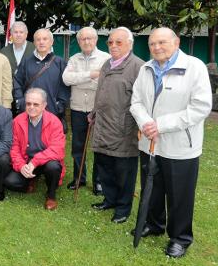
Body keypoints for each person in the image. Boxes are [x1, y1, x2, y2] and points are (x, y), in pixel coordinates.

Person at [130, 27, 212, 258]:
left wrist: (161, 125)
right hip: (150, 142)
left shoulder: (194, 68)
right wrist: (146, 122)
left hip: (180, 147)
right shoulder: (146, 69)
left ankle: (180, 238)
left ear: (176, 43)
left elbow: (200, 107)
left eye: (162, 42)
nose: (156, 47)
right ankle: (154, 224)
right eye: (153, 44)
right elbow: (136, 102)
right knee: (152, 188)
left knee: (179, 195)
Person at [90, 27, 144, 223]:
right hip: (102, 125)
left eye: (118, 42)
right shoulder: (107, 65)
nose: (113, 46)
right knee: (105, 167)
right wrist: (94, 112)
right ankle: (110, 199)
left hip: (124, 129)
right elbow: (102, 93)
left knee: (124, 172)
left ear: (130, 44)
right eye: (110, 42)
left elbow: (142, 101)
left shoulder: (139, 67)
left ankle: (123, 208)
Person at [62, 26, 110, 194]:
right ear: (79, 41)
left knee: (98, 147)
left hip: (98, 109)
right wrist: (91, 75)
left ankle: (99, 181)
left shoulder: (106, 59)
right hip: (77, 109)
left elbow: (105, 83)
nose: (87, 41)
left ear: (96, 40)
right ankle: (79, 178)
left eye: (90, 38)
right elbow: (67, 79)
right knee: (77, 146)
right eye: (83, 39)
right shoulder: (74, 59)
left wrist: (80, 78)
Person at [7, 88, 66, 210]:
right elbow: (14, 147)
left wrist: (35, 162)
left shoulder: (54, 122)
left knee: (53, 167)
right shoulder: (17, 121)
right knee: (10, 182)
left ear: (44, 105)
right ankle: (32, 179)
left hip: (45, 161)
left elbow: (57, 150)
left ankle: (51, 196)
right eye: (28, 104)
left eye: (36, 104)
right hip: (26, 160)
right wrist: (21, 166)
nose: (31, 107)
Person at [13, 28, 70, 129]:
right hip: (30, 110)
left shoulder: (60, 62)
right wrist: (20, 101)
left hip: (52, 111)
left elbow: (65, 86)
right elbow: (17, 81)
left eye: (45, 39)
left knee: (49, 142)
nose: (41, 42)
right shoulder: (26, 61)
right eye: (38, 39)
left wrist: (60, 105)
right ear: (34, 42)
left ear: (52, 42)